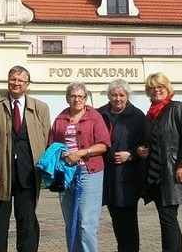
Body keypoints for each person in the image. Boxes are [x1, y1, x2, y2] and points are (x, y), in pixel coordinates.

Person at [0, 65, 51, 252]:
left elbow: (46, 138)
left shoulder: (41, 108)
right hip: (1, 173)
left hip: (28, 173)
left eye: (21, 80)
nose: (16, 83)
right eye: (13, 79)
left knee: (27, 223)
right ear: (8, 80)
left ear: (27, 84)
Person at [137, 72, 182, 252]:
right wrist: (139, 150)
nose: (156, 90)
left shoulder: (177, 108)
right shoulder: (151, 115)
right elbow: (146, 140)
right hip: (155, 175)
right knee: (168, 218)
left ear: (167, 89)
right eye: (152, 88)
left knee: (167, 218)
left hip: (172, 173)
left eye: (160, 87)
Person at [48, 81, 110, 252]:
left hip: (89, 173)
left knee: (86, 224)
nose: (77, 100)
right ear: (68, 98)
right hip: (66, 173)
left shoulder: (94, 117)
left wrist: (82, 153)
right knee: (71, 222)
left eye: (81, 96)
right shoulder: (60, 118)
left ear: (85, 98)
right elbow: (52, 144)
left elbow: (104, 145)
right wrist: (62, 154)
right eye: (73, 96)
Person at [98, 79, 147, 252]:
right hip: (106, 177)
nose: (117, 98)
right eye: (114, 95)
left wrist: (131, 154)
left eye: (121, 95)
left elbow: (145, 144)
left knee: (128, 224)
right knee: (116, 221)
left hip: (127, 178)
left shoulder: (137, 116)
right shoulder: (100, 114)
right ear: (108, 96)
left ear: (127, 96)